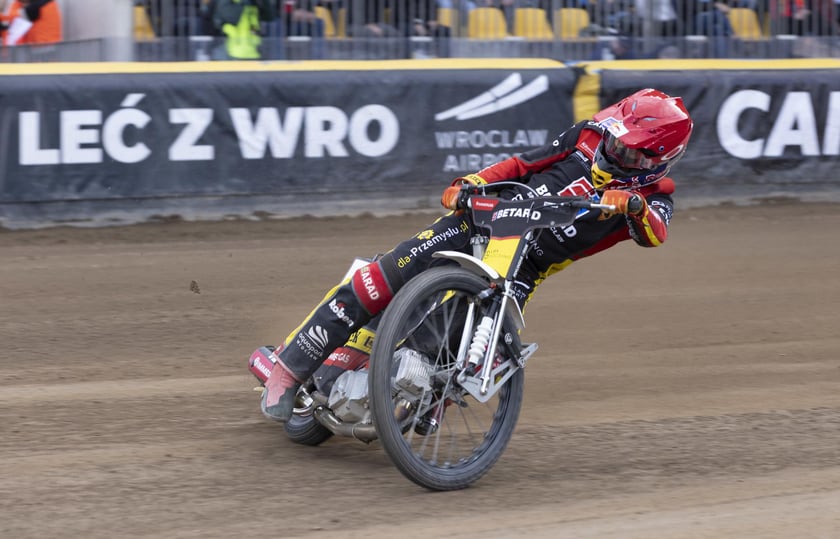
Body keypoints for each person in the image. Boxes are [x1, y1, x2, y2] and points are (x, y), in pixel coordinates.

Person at [250, 88, 694, 423]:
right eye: (612, 140)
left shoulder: (658, 194)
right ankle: (289, 369)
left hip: (526, 266)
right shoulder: (586, 136)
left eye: (624, 150)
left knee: (450, 342)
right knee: (385, 275)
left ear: (657, 160)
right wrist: (471, 182)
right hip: (487, 217)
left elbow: (655, 234)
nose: (610, 149)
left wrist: (634, 206)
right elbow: (521, 166)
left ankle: (426, 400)